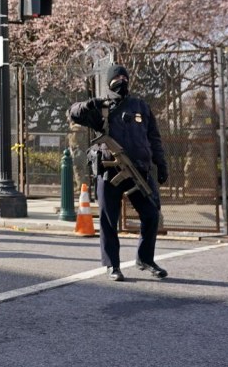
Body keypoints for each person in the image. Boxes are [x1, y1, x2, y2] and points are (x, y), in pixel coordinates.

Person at [70, 64, 169, 281]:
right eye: (117, 77)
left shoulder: (140, 106)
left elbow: (154, 138)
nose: (122, 80)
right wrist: (89, 105)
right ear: (109, 82)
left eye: (125, 76)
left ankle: (145, 259)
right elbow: (73, 113)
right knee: (108, 219)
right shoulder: (102, 107)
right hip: (109, 170)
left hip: (138, 170)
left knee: (152, 215)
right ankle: (112, 265)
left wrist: (161, 164)